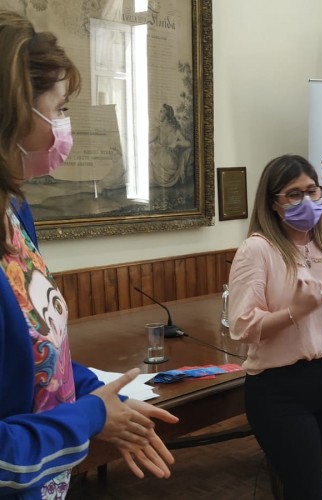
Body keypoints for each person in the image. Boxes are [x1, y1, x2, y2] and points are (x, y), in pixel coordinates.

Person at [0, 11, 178, 498]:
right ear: (13, 110)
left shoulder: (14, 211)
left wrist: (99, 395)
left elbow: (44, 358)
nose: (65, 125)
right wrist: (91, 416)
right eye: (58, 108)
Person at [227, 154, 322, 499]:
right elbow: (242, 327)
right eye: (293, 194)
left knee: (307, 484)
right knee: (310, 491)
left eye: (312, 190)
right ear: (273, 202)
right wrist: (296, 311)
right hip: (281, 389)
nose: (306, 200)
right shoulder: (257, 250)